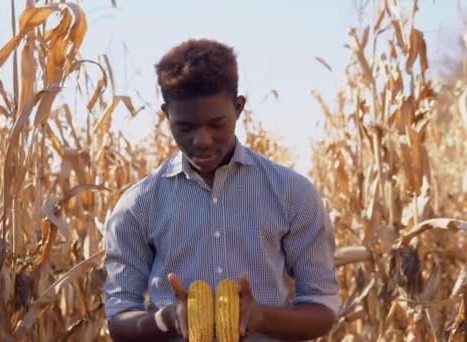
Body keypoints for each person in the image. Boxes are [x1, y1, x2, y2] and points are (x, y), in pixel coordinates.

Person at [103, 38, 340, 341]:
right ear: (167, 115)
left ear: (239, 108)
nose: (202, 140)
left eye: (216, 124)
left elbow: (321, 310)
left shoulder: (292, 193)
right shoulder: (138, 205)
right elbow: (119, 318)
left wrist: (262, 317)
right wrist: (168, 319)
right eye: (186, 127)